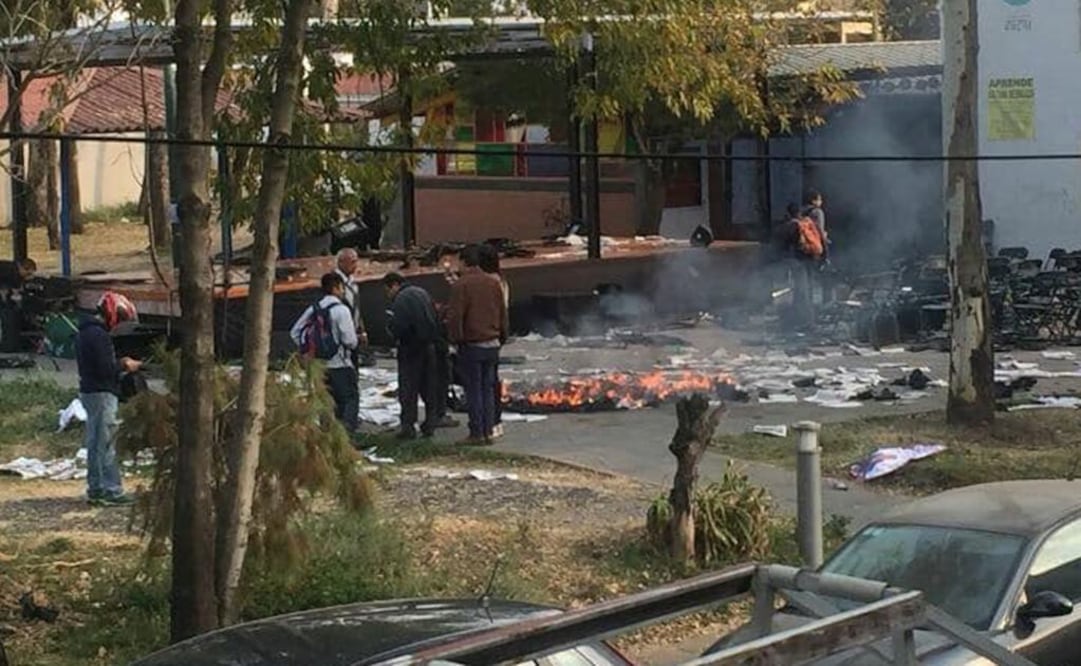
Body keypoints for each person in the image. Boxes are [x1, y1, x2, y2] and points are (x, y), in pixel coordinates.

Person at [75, 291, 141, 507]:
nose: (119, 324)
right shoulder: (99, 336)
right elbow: (105, 369)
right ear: (112, 314)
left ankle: (96, 487)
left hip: (90, 392)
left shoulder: (86, 331)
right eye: (120, 318)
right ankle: (110, 489)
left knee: (95, 443)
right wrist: (124, 365)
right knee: (106, 444)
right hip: (102, 393)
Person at [445, 245, 507, 446]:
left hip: (472, 345)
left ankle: (477, 432)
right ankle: (489, 430)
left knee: (474, 390)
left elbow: (456, 317)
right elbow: (502, 313)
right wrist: (502, 337)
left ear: (464, 262)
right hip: (493, 343)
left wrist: (455, 340)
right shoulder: (494, 283)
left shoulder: (461, 286)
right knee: (488, 389)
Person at [291, 273, 360, 433]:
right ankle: (345, 437)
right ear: (335, 287)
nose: (343, 291)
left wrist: (310, 349)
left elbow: (295, 332)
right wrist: (357, 340)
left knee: (325, 402)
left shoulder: (314, 309)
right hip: (340, 363)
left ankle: (327, 434)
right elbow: (350, 341)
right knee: (349, 399)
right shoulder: (341, 310)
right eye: (342, 287)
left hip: (318, 365)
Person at [382, 272, 441, 439]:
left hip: (410, 348)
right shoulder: (423, 293)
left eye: (387, 290)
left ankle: (408, 426)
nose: (388, 295)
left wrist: (393, 334)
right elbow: (435, 316)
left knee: (408, 388)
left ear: (394, 285)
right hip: (429, 346)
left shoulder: (401, 300)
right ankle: (430, 422)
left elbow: (398, 327)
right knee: (428, 387)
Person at [477, 244, 510, 439]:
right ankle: (495, 421)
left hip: (486, 334)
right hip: (496, 334)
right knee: (492, 380)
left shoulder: (490, 282)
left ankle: (490, 422)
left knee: (485, 383)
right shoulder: (502, 281)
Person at [334, 248, 373, 368]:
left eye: (356, 262)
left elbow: (357, 309)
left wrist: (362, 330)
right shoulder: (334, 282)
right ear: (341, 263)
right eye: (352, 262)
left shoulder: (353, 283)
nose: (355, 265)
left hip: (354, 331)